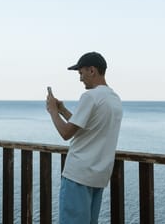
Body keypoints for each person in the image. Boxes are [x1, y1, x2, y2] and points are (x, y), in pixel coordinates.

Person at [46, 52, 123, 224]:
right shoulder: (114, 99)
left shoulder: (90, 96)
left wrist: (52, 111)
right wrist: (63, 111)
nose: (80, 78)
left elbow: (66, 133)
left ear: (92, 70)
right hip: (98, 177)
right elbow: (88, 126)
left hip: (78, 176)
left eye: (81, 73)